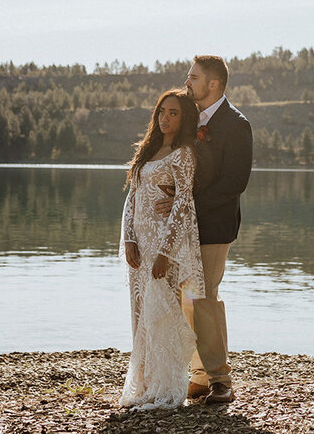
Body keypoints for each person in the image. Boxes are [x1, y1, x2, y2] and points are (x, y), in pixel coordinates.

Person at [156, 55, 253, 405]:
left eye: (193, 77)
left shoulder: (236, 124)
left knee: (205, 298)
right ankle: (199, 376)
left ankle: (221, 381)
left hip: (214, 225)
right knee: (187, 298)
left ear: (213, 84)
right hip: (182, 227)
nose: (188, 82)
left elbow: (235, 182)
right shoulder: (190, 117)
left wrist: (187, 204)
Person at [118, 89, 206, 410]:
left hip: (162, 242)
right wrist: (128, 238)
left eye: (173, 113)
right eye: (162, 112)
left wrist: (166, 252)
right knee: (140, 312)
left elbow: (182, 201)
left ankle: (166, 384)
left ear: (183, 119)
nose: (165, 118)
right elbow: (133, 197)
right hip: (140, 243)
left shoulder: (183, 154)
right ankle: (143, 381)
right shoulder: (149, 150)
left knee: (161, 312)